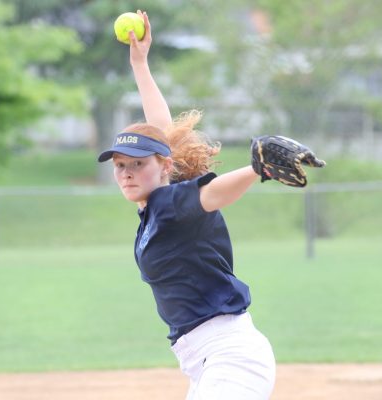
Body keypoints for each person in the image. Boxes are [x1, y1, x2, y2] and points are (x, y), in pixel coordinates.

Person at [98, 11, 275, 399]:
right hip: (208, 361)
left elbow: (212, 194)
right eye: (120, 166)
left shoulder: (172, 203)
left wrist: (257, 169)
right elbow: (162, 131)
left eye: (137, 165)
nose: (126, 173)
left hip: (231, 358)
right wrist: (140, 64)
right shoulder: (157, 202)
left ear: (164, 168)